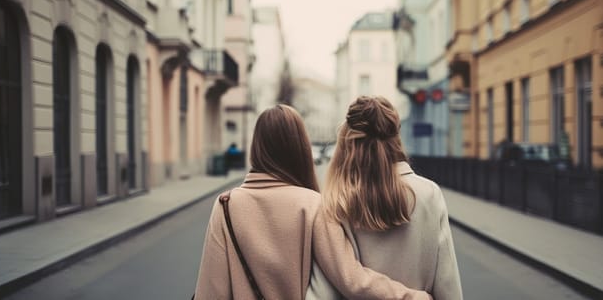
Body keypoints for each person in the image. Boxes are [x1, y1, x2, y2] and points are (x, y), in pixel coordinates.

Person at [194, 104, 430, 300]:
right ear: (300, 147)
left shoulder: (225, 206)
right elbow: (352, 279)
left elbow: (210, 291)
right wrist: (412, 297)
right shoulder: (314, 205)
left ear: (257, 147)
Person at [310, 96, 463, 299]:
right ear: (395, 137)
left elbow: (323, 292)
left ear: (348, 139)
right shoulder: (429, 194)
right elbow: (447, 282)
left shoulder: (335, 202)